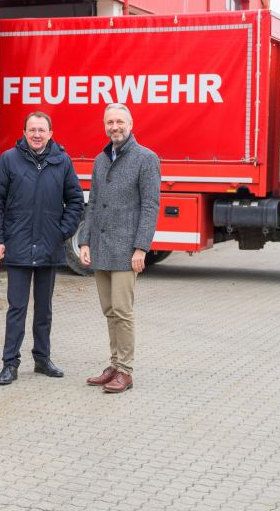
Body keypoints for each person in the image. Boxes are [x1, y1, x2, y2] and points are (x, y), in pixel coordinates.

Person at [0, 111, 84, 385]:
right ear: (25, 132)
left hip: (49, 248)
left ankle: (42, 359)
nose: (37, 134)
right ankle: (10, 363)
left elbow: (75, 200)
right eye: (32, 130)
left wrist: (62, 232)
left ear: (51, 134)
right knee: (16, 308)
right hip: (17, 246)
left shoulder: (62, 161)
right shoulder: (8, 160)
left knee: (44, 310)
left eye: (42, 130)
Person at [78, 103, 160, 394]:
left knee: (123, 311)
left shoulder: (145, 159)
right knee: (110, 310)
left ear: (130, 124)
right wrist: (84, 240)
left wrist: (141, 248)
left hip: (127, 251)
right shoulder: (102, 159)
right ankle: (114, 364)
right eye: (110, 122)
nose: (115, 126)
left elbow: (150, 206)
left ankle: (125, 371)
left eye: (120, 122)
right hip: (101, 247)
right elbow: (94, 203)